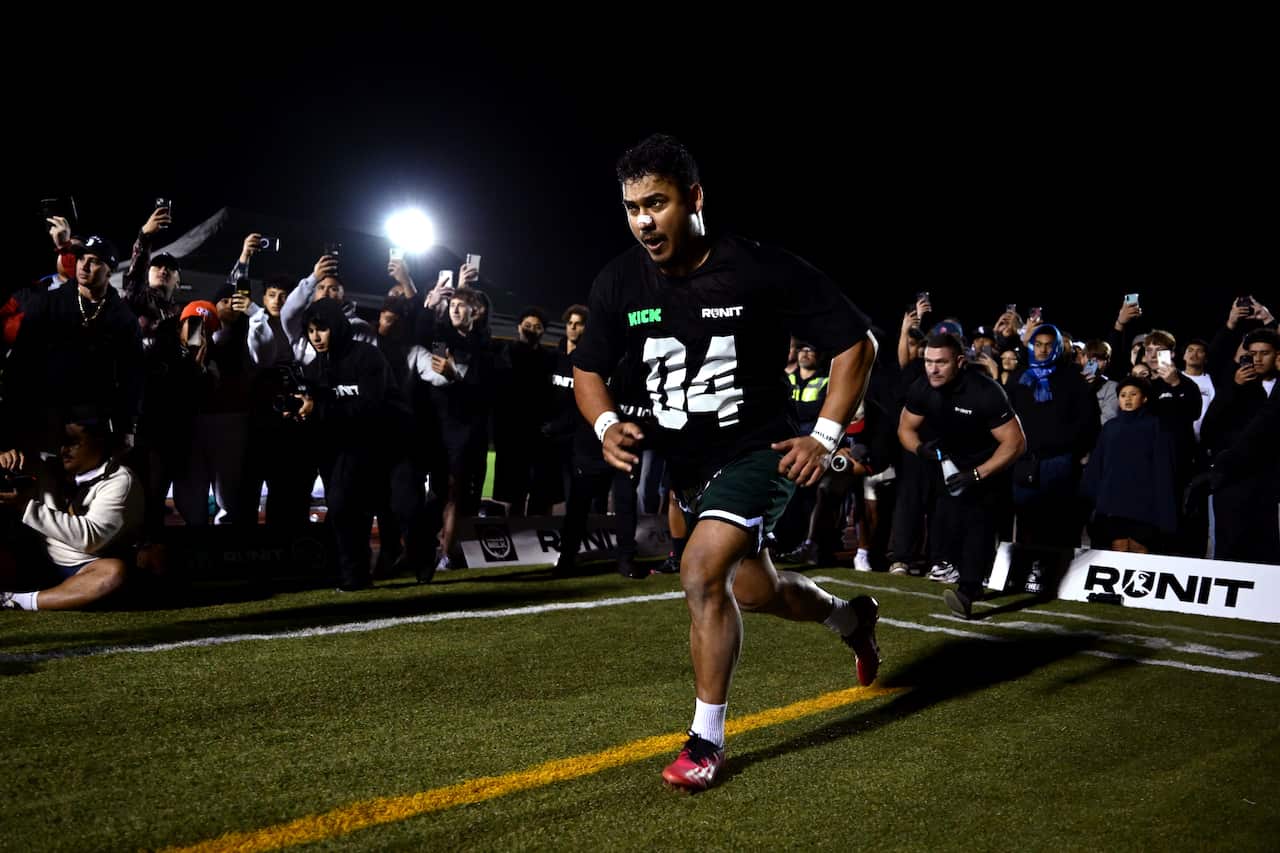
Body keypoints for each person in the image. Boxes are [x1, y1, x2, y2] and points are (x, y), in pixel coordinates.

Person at [572, 134, 880, 791]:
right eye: (631, 207)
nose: (643, 220)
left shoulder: (757, 267)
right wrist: (605, 424)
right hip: (686, 465)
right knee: (754, 589)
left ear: (695, 198)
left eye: (656, 202)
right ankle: (850, 617)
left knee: (700, 568)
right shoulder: (619, 279)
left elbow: (857, 344)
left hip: (756, 452)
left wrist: (823, 437)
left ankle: (704, 740)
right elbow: (586, 368)